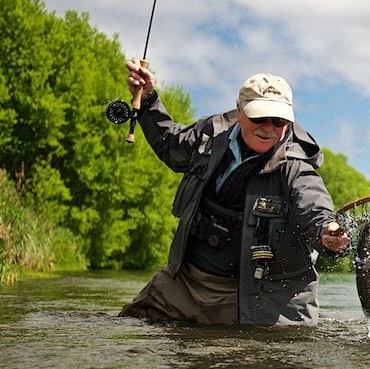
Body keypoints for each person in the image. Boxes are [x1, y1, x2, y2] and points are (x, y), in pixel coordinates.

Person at [118, 60, 350, 326]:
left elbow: (314, 204)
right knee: (131, 326)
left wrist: (329, 232)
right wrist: (147, 98)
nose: (269, 128)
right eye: (259, 117)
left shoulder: (296, 165)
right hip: (186, 283)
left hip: (261, 299)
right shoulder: (211, 134)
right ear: (239, 112)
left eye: (279, 121)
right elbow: (171, 146)